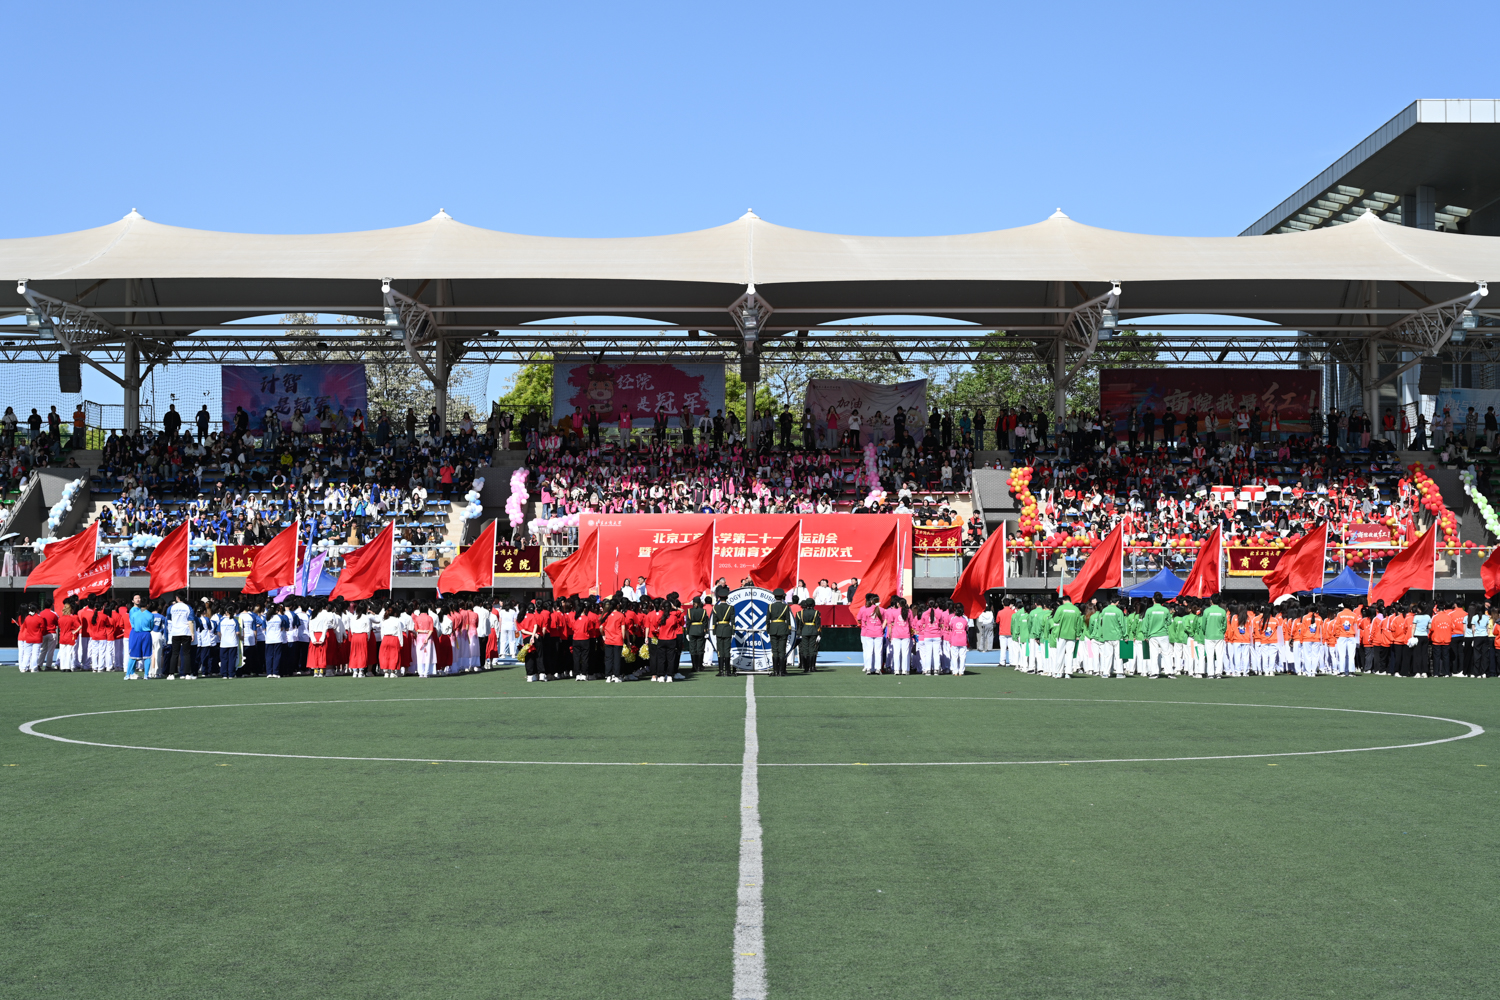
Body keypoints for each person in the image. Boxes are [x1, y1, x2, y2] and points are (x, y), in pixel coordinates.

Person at [766, 588, 794, 676]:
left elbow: (767, 619)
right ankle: (781, 671)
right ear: (782, 597)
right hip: (783, 629)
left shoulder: (770, 606)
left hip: (773, 629)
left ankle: (775, 671)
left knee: (775, 651)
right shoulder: (786, 607)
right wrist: (789, 629)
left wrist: (768, 629)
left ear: (774, 597)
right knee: (782, 651)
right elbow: (788, 620)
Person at [712, 593, 736, 676]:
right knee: (727, 650)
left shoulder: (715, 608)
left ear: (719, 598)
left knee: (720, 651)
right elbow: (733, 621)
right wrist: (733, 631)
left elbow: (714, 621)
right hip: (727, 630)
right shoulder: (730, 607)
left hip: (719, 630)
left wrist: (714, 631)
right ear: (727, 598)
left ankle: (721, 671)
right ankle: (728, 671)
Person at [686, 596, 709, 673]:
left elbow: (688, 623)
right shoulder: (703, 611)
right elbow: (705, 622)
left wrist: (687, 632)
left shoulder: (689, 611)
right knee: (700, 649)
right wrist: (706, 632)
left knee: (693, 649)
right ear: (699, 603)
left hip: (692, 630)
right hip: (700, 630)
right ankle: (699, 666)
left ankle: (694, 667)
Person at [797, 598, 821, 672]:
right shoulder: (816, 612)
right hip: (813, 631)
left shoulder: (801, 613)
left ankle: (806, 668)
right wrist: (819, 634)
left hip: (804, 631)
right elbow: (818, 624)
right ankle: (812, 667)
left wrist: (799, 633)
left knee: (805, 649)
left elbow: (800, 624)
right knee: (812, 649)